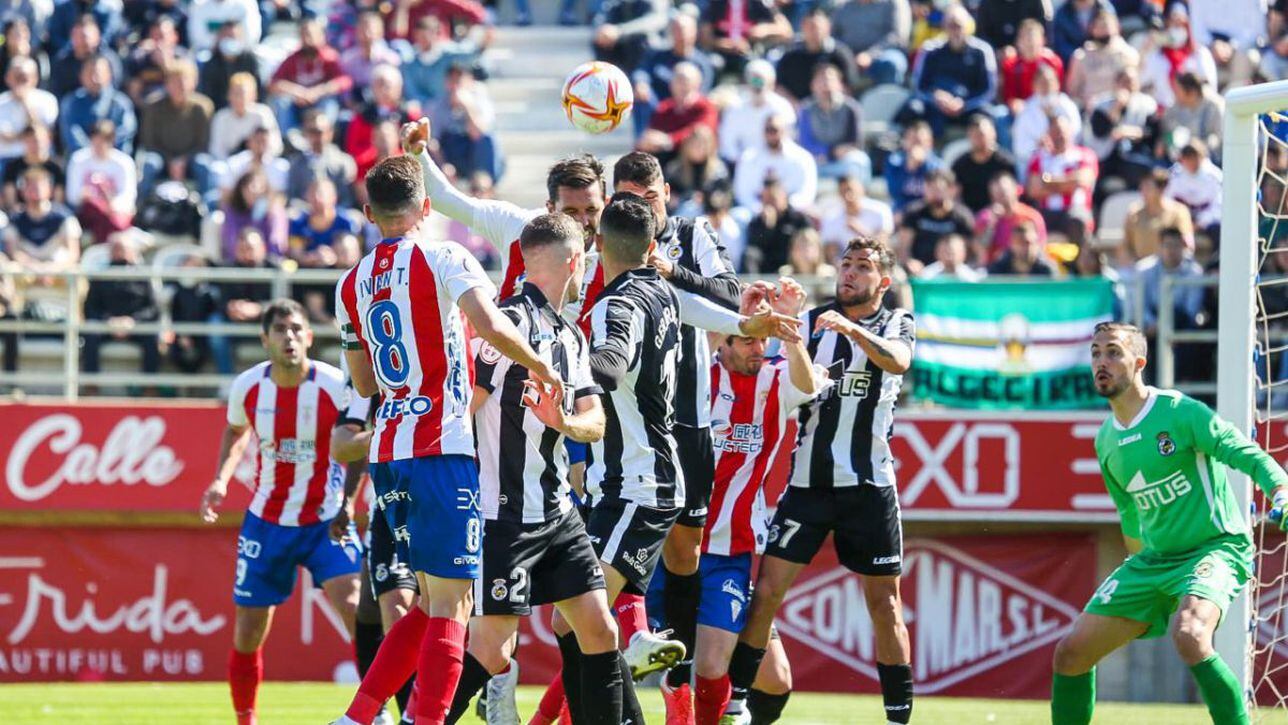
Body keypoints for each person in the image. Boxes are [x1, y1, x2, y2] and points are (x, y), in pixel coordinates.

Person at [329, 149, 560, 725]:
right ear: (425, 207)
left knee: (432, 600)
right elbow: (489, 323)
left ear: (368, 212)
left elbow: (362, 379)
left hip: (389, 451)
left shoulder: (349, 284)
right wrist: (542, 365)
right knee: (455, 604)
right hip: (442, 444)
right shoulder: (444, 255)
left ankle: (357, 717)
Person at [553, 194, 795, 724]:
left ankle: (632, 674)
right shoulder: (661, 291)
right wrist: (750, 326)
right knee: (578, 621)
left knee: (576, 622)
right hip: (650, 477)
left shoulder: (619, 304)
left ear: (598, 244)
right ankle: (638, 659)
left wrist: (564, 368)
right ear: (652, 248)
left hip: (637, 483)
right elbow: (707, 310)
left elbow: (611, 365)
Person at [1049, 322, 1288, 725]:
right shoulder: (1106, 439)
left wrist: (1280, 490)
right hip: (1153, 563)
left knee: (1190, 634)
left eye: (1112, 352)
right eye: (1094, 353)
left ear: (1139, 362)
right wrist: (1142, 580)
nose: (1100, 362)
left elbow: (1247, 454)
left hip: (1215, 548)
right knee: (1070, 655)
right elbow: (1130, 514)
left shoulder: (1179, 412)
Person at [441, 212, 626, 725]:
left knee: (600, 632)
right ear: (574, 261)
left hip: (558, 513)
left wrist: (561, 419)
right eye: (585, 258)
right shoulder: (504, 326)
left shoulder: (569, 334)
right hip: (502, 514)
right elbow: (461, 413)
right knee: (491, 651)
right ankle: (422, 719)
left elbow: (597, 421)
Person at [724, 237, 916, 725]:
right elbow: (772, 366)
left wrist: (851, 329)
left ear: (883, 282)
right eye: (845, 264)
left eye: (863, 267)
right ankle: (738, 702)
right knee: (766, 592)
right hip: (808, 483)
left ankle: (898, 717)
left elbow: (898, 360)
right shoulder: (812, 323)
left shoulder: (895, 322)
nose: (849, 273)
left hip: (870, 486)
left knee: (885, 604)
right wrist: (774, 315)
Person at [199, 298, 362, 725]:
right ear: (265, 339)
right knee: (249, 632)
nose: (288, 337)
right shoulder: (248, 387)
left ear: (308, 337)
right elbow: (235, 433)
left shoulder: (334, 385)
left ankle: (375, 710)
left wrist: (347, 501)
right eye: (280, 330)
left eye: (296, 329)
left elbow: (357, 441)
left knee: (358, 611)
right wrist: (219, 480)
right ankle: (246, 719)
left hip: (326, 519)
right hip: (267, 522)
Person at [691, 278, 824, 725]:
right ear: (723, 342)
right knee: (613, 647)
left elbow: (806, 384)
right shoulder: (697, 379)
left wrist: (790, 337)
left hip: (731, 550)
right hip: (673, 543)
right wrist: (736, 316)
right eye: (747, 340)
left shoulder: (773, 380)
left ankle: (732, 710)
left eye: (762, 341)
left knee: (735, 672)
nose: (757, 349)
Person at [406, 116, 607, 305]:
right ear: (550, 208)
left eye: (591, 210)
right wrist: (417, 152)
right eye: (571, 212)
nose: (582, 221)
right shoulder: (517, 225)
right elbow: (444, 199)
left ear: (605, 204)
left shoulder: (617, 254)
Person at [903, 5, 998, 136]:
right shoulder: (930, 50)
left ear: (967, 26)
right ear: (944, 27)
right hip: (935, 107)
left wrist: (964, 103)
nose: (955, 31)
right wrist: (936, 98)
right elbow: (918, 86)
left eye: (958, 25)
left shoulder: (982, 51)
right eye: (950, 25)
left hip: (968, 108)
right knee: (913, 109)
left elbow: (989, 91)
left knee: (989, 115)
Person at [80, 237, 160, 381]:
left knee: (152, 338)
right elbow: (90, 308)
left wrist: (132, 321)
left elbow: (152, 309)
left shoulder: (143, 276)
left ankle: (150, 386)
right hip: (107, 325)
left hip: (136, 325)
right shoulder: (100, 276)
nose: (119, 253)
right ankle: (91, 384)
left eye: (122, 249)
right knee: (90, 335)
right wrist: (109, 321)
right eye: (115, 249)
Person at [632, 13, 716, 135]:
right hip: (658, 108)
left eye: (684, 30)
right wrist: (641, 83)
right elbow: (641, 71)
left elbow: (702, 92)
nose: (681, 34)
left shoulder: (702, 64)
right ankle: (644, 144)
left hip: (685, 111)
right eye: (676, 29)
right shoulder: (657, 56)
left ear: (694, 32)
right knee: (642, 101)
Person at [268, 18, 353, 133]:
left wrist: (318, 91)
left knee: (330, 102)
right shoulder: (293, 59)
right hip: (298, 103)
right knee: (282, 102)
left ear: (321, 36)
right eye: (304, 35)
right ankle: (289, 138)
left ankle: (323, 135)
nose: (308, 39)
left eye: (311, 35)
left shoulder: (329, 57)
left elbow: (344, 80)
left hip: (320, 101)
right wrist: (298, 91)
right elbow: (274, 82)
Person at [1025, 115, 1098, 243]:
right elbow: (1034, 190)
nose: (1060, 136)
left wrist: (1047, 181)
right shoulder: (1039, 158)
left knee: (1078, 221)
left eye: (1063, 131)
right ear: (1048, 134)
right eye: (1055, 132)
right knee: (1031, 224)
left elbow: (1082, 181)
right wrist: (1068, 185)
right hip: (1047, 212)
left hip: (1074, 210)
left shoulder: (1084, 155)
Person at [716, 60, 795, 170]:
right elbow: (727, 144)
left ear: (771, 83)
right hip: (742, 166)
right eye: (754, 80)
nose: (757, 85)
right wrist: (742, 162)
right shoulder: (735, 109)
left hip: (777, 165)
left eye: (761, 80)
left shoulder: (783, 108)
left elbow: (789, 140)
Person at [798, 64, 870, 183]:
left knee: (860, 161)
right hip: (816, 163)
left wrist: (836, 153)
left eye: (830, 79)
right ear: (813, 85)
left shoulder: (852, 109)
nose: (826, 84)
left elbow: (856, 143)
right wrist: (830, 151)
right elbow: (805, 143)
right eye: (821, 80)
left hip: (843, 163)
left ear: (840, 84)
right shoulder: (806, 110)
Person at [731, 115, 816, 213]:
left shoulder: (803, 158)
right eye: (768, 130)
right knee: (739, 215)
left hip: (792, 211)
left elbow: (807, 193)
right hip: (757, 212)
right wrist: (760, 209)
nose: (771, 134)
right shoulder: (748, 158)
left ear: (784, 131)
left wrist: (785, 207)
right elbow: (743, 193)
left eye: (775, 130)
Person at [639, 61, 719, 165]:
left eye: (686, 81)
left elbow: (701, 133)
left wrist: (670, 140)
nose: (682, 85)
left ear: (697, 84)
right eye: (678, 80)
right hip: (667, 161)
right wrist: (647, 142)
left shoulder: (706, 107)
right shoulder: (665, 108)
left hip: (695, 165)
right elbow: (653, 132)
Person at [1139, 5, 1216, 111]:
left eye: (1181, 25)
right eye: (1174, 24)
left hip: (1195, 109)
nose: (1177, 28)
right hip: (1167, 113)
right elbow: (1139, 80)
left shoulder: (1200, 54)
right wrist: (1145, 51)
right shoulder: (1157, 57)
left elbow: (1210, 86)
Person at [897, 167, 975, 272]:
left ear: (951, 189)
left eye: (938, 189)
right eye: (929, 188)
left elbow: (970, 250)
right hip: (920, 272)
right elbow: (904, 247)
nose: (934, 194)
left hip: (953, 272)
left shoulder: (962, 217)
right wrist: (910, 262)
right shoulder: (914, 213)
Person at [773, 8, 857, 102]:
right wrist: (798, 108)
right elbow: (779, 87)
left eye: (817, 27)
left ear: (828, 27)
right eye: (810, 27)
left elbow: (848, 88)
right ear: (802, 27)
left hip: (831, 109)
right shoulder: (790, 56)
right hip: (795, 109)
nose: (814, 31)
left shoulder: (839, 54)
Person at [1011, 64, 1082, 173]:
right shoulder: (1025, 112)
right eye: (1041, 82)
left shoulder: (1067, 106)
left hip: (1066, 162)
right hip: (1038, 168)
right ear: (1034, 85)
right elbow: (1019, 148)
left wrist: (1060, 143)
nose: (1046, 86)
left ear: (1057, 83)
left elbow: (1077, 135)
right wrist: (1037, 145)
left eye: (1049, 81)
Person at [59, 54, 136, 154]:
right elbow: (72, 133)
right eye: (90, 73)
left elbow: (125, 131)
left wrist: (105, 150)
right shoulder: (72, 102)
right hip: (83, 158)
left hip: (115, 157)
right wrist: (92, 153)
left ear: (109, 75)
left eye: (98, 73)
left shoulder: (121, 103)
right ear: (81, 76)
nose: (94, 78)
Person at [1065, 7, 1140, 110]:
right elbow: (1073, 91)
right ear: (1092, 29)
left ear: (1117, 27)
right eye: (1099, 27)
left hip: (1120, 108)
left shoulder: (1128, 54)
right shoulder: (1081, 57)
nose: (1103, 31)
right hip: (1091, 111)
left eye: (1106, 26)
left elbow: (1134, 86)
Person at [698, 0, 792, 78]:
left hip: (750, 53)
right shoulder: (714, 3)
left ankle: (756, 95)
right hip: (720, 54)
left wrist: (766, 30)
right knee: (713, 63)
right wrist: (727, 45)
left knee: (758, 70)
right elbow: (705, 38)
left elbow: (786, 31)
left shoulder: (759, 2)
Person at [829, 0, 911, 87]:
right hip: (849, 56)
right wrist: (846, 56)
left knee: (890, 63)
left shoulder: (893, 3)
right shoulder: (842, 7)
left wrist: (870, 55)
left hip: (883, 54)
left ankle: (889, 99)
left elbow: (896, 36)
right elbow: (834, 37)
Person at [1122, 169, 1195, 264]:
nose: (1143, 191)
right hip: (1140, 267)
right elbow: (1126, 245)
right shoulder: (1134, 212)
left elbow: (1187, 243)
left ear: (1161, 189)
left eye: (1148, 187)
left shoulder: (1178, 211)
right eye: (1142, 187)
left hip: (1170, 268)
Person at [287, 111, 358, 208]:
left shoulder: (343, 162)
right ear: (305, 133)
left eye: (320, 132)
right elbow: (292, 197)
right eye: (312, 131)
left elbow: (347, 199)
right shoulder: (296, 163)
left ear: (330, 133)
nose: (317, 136)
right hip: (305, 215)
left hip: (336, 214)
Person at [973, 170, 1047, 263]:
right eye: (996, 194)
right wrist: (991, 225)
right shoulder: (985, 218)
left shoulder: (1031, 216)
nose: (1001, 197)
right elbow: (979, 250)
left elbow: (1040, 246)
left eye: (1004, 192)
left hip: (1025, 266)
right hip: (994, 270)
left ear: (1017, 190)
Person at [743, 175, 812, 274]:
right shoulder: (756, 222)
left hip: (792, 265)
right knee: (749, 255)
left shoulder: (799, 219)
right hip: (767, 266)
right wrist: (768, 228)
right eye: (765, 199)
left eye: (772, 198)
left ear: (784, 196)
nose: (768, 203)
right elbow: (754, 247)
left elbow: (810, 240)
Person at [951, 114, 1016, 214]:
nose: (978, 139)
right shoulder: (960, 165)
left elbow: (1015, 194)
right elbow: (954, 195)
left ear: (993, 134)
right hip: (969, 217)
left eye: (981, 134)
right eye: (974, 135)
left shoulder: (1005, 163)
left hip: (1001, 215)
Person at [820, 174, 894, 262]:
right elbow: (830, 252)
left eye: (850, 190)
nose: (848, 196)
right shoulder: (831, 217)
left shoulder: (880, 210)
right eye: (843, 191)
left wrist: (860, 232)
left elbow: (883, 245)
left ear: (861, 190)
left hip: (877, 263)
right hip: (845, 267)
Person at [210, 72, 282, 161]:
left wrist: (257, 162)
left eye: (242, 94)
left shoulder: (263, 113)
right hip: (230, 163)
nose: (238, 98)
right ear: (228, 95)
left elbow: (275, 145)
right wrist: (231, 166)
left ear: (253, 95)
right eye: (235, 94)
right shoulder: (221, 117)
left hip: (260, 163)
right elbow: (216, 149)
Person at [0, 56, 57, 164]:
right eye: (17, 77)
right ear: (7, 78)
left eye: (24, 78)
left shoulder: (48, 100)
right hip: (6, 160)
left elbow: (43, 134)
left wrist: (25, 103)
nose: (20, 82)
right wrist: (27, 136)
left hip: (39, 159)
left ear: (35, 78)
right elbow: (4, 137)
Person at [999, 19, 1065, 112]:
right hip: (1022, 111)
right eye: (1025, 38)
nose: (1029, 42)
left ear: (1043, 40)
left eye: (1033, 38)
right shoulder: (1010, 65)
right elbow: (1010, 96)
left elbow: (1058, 91)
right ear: (1018, 42)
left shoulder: (1053, 62)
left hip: (1049, 107)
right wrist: (1015, 104)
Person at [1157, 72, 1223, 162]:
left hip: (1207, 160)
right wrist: (1165, 142)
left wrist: (1201, 148)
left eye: (1178, 91)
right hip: (1180, 159)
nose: (1175, 95)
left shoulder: (1213, 107)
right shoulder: (1174, 109)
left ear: (1191, 92)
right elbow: (1168, 133)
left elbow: (1217, 137)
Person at [883, 120, 942, 214]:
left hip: (927, 212)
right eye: (912, 140)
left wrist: (924, 164)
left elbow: (935, 195)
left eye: (919, 141)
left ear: (929, 143)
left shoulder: (937, 165)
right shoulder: (894, 162)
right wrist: (910, 167)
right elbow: (894, 192)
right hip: (901, 211)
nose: (915, 145)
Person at [986, 220, 1056, 276]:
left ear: (1036, 244)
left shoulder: (1046, 271)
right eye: (1019, 243)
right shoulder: (998, 271)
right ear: (1011, 245)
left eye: (1027, 243)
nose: (1024, 247)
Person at [975, 0, 1052, 50]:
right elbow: (982, 36)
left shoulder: (1035, 2)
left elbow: (1042, 32)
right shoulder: (987, 3)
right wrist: (998, 52)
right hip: (997, 59)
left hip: (1029, 56)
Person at [919, 233, 985, 281]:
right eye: (945, 251)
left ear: (964, 253)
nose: (949, 256)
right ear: (937, 252)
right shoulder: (927, 275)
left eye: (952, 252)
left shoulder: (973, 278)